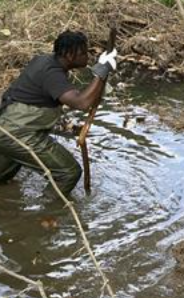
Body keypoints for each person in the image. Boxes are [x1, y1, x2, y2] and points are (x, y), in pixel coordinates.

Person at [0, 31, 117, 199]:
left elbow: (76, 95)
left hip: (6, 128)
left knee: (2, 176)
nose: (87, 57)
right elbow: (82, 103)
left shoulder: (44, 61)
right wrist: (101, 72)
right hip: (18, 133)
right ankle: (45, 214)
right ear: (69, 55)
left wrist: (101, 77)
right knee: (69, 172)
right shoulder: (52, 74)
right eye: (83, 53)